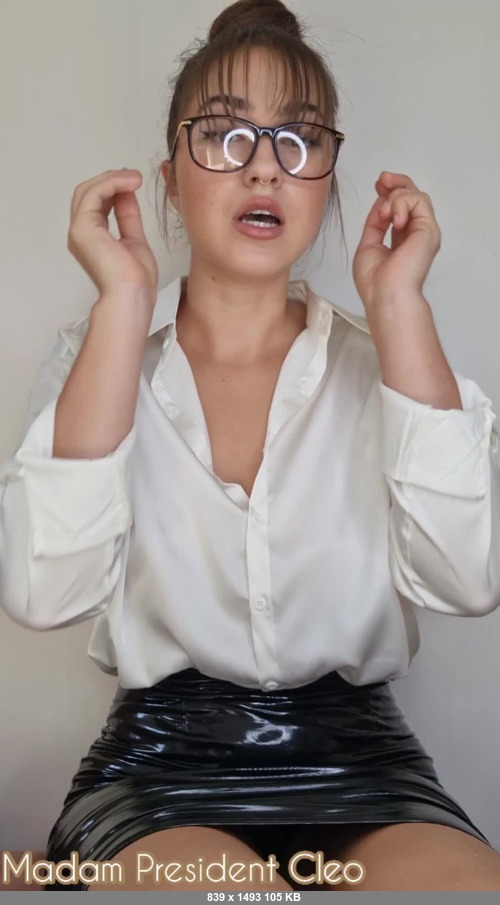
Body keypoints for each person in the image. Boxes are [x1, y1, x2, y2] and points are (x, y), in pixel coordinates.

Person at [1, 0, 500, 892]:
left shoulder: (384, 357)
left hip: (365, 764)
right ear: (169, 177)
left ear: (327, 180)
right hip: (160, 769)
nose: (265, 165)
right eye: (226, 136)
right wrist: (123, 302)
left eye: (299, 139)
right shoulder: (100, 354)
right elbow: (45, 595)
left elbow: (469, 582)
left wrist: (400, 308)